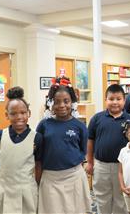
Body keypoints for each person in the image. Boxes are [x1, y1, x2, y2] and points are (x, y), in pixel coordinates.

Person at [36, 76, 91, 213]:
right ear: (51, 104)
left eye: (66, 101)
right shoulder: (44, 125)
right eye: (57, 102)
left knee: (75, 210)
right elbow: (38, 154)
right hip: (50, 178)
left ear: (72, 102)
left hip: (74, 177)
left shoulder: (79, 126)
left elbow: (83, 150)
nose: (61, 105)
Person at [0, 86, 42, 214]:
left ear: (29, 113)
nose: (19, 117)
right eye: (13, 113)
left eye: (23, 112)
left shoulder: (36, 138)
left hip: (26, 190)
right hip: (3, 189)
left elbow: (38, 165)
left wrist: (38, 186)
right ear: (6, 115)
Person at [85, 84, 130, 214]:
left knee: (121, 199)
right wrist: (90, 162)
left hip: (123, 166)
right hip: (101, 166)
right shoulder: (97, 118)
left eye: (118, 99)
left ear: (124, 100)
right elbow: (90, 141)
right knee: (102, 198)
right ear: (106, 100)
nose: (115, 102)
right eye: (111, 99)